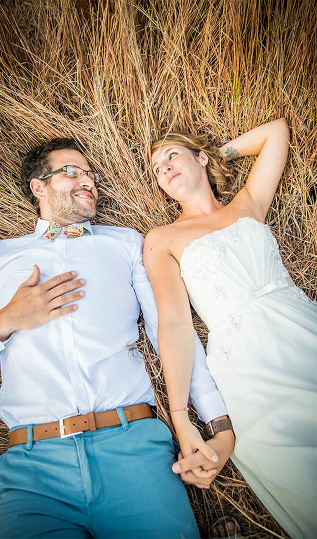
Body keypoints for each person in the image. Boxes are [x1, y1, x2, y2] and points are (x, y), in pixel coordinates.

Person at [0, 137, 235, 538]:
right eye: (72, 171)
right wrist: (7, 319)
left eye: (90, 174)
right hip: (36, 469)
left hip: (134, 448)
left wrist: (215, 420)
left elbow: (170, 331)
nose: (88, 181)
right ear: (39, 186)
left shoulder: (124, 243)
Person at [145, 118, 317, 539]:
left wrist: (215, 154)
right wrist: (181, 416)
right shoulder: (162, 239)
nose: (164, 168)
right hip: (246, 365)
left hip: (302, 329)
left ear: (199, 158)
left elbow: (276, 132)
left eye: (172, 156)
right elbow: (173, 326)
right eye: (156, 168)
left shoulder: (248, 204)